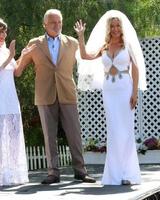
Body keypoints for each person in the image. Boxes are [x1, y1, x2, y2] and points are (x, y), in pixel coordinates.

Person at [14, 9, 96, 184]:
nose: (57, 25)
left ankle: (81, 171)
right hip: (45, 94)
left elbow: (86, 56)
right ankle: (53, 173)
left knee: (74, 133)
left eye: (59, 22)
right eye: (52, 22)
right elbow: (18, 71)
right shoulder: (34, 43)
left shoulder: (72, 42)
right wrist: (22, 55)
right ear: (45, 24)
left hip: (67, 92)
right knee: (49, 135)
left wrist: (81, 36)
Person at [74, 10, 146, 185]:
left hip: (125, 89)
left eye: (117, 26)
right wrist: (81, 36)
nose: (115, 29)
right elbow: (85, 56)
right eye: (112, 26)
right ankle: (114, 175)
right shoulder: (105, 47)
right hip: (109, 92)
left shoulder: (127, 45)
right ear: (109, 28)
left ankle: (128, 174)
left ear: (121, 27)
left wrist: (134, 93)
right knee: (113, 131)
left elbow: (135, 69)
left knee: (126, 131)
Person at [0, 18, 28, 186]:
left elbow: (16, 72)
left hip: (10, 97)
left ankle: (12, 174)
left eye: (3, 31)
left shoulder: (5, 51)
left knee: (13, 135)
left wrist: (22, 56)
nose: (2, 35)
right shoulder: (6, 53)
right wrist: (11, 54)